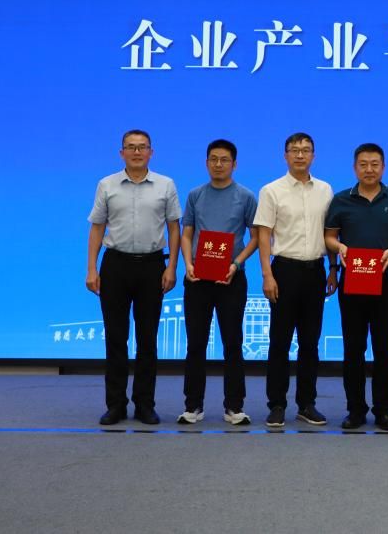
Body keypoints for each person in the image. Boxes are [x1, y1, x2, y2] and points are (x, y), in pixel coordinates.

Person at [85, 129, 180, 426]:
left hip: (152, 266)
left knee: (147, 339)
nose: (137, 152)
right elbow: (97, 227)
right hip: (115, 265)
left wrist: (171, 267)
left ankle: (144, 404)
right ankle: (115, 405)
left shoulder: (165, 184)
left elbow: (174, 228)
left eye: (142, 147)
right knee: (116, 338)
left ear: (151, 152)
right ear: (121, 152)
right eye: (131, 147)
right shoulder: (106, 184)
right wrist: (92, 268)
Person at [324, 143, 388, 431]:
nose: (369, 169)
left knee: (384, 347)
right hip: (352, 279)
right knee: (353, 348)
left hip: (385, 280)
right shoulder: (342, 199)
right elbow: (329, 237)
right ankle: (355, 409)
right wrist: (340, 248)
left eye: (375, 164)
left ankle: (384, 410)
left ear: (383, 167)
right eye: (363, 164)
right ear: (355, 168)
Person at [253, 132, 337, 429]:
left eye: (306, 150)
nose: (300, 155)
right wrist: (267, 274)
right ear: (285, 155)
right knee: (279, 342)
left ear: (313, 155)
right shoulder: (271, 190)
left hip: (315, 271)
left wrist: (333, 268)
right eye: (294, 150)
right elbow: (264, 234)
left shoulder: (325, 190)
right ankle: (276, 404)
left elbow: (330, 233)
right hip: (284, 271)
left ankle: (306, 404)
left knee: (310, 342)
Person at [177, 139, 259, 427]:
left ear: (234, 164)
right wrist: (187, 264)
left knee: (233, 342)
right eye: (213, 159)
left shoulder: (246, 196)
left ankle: (234, 406)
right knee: (195, 343)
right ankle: (193, 406)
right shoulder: (195, 195)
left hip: (231, 279)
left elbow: (256, 237)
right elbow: (187, 234)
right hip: (198, 278)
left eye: (224, 160)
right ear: (206, 162)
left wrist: (237, 263)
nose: (218, 164)